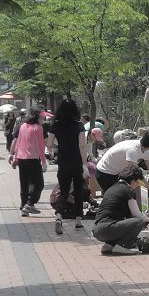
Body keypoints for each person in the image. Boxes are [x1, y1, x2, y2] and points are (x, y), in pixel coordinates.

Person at [46, 99, 89, 235]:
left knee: (63, 191)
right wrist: (85, 164)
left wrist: (53, 152)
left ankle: (59, 215)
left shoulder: (56, 125)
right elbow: (82, 146)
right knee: (78, 191)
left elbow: (49, 143)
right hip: (77, 162)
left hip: (63, 162)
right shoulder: (79, 126)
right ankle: (78, 221)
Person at [92, 167, 148, 255]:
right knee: (140, 221)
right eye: (138, 182)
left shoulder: (113, 188)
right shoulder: (128, 190)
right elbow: (136, 214)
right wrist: (147, 219)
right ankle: (122, 246)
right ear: (132, 180)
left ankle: (109, 245)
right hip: (107, 229)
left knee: (122, 222)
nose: (137, 185)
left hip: (97, 230)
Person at [95, 128, 149, 192]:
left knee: (128, 195)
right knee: (116, 198)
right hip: (104, 173)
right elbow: (136, 174)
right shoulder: (132, 150)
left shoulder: (147, 151)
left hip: (117, 173)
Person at [9, 109, 48, 216]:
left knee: (24, 184)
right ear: (37, 117)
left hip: (22, 159)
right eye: (42, 117)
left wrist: (15, 158)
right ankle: (30, 204)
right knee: (39, 184)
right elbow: (41, 146)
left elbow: (19, 142)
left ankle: (23, 208)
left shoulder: (23, 126)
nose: (43, 119)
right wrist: (44, 162)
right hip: (33, 159)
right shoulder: (38, 128)